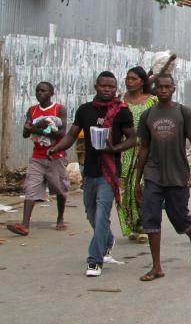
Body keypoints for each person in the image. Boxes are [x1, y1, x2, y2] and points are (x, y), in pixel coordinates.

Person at [47, 72, 137, 276]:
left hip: (110, 171)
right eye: (103, 86)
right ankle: (107, 239)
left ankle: (94, 260)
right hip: (89, 169)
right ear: (96, 86)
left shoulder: (122, 111)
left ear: (116, 89)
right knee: (91, 212)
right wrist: (56, 148)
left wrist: (115, 148)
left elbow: (132, 138)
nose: (107, 89)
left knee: (102, 213)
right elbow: (71, 134)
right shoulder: (85, 110)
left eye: (111, 87)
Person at [134, 74, 191, 281]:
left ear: (173, 89)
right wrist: (138, 179)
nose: (163, 90)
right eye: (160, 87)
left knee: (179, 218)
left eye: (167, 87)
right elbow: (144, 148)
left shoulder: (184, 113)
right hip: (153, 173)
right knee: (151, 218)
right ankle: (156, 266)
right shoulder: (148, 116)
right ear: (155, 89)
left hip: (177, 174)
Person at [6, 82, 69, 236]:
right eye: (37, 90)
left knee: (60, 189)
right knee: (30, 188)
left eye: (43, 90)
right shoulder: (32, 110)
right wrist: (30, 128)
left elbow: (60, 133)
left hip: (55, 157)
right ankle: (24, 225)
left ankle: (60, 218)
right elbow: (25, 134)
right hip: (38, 157)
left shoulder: (59, 109)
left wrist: (37, 129)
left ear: (51, 93)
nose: (39, 93)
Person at [115, 66, 158, 243]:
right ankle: (131, 225)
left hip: (145, 149)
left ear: (142, 82)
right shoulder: (119, 100)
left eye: (134, 79)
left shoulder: (152, 101)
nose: (129, 82)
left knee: (140, 188)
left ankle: (143, 225)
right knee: (124, 191)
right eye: (127, 78)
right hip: (124, 150)